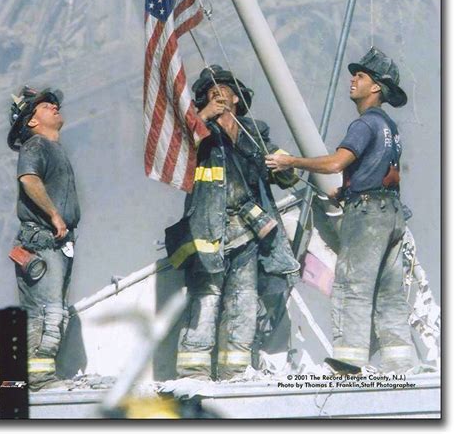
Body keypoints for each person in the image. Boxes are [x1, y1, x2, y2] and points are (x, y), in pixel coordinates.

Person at [265, 47, 414, 374]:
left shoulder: (364, 124)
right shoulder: (390, 127)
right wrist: (346, 190)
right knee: (388, 292)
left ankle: (349, 361)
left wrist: (290, 161)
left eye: (360, 76)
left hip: (367, 215)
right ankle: (401, 365)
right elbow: (380, 168)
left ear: (375, 87)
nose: (353, 80)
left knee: (352, 285)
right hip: (392, 213)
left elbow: (335, 162)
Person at [165, 65, 300, 381]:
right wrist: (203, 117)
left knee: (243, 301)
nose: (215, 92)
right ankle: (193, 371)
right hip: (207, 228)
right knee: (205, 299)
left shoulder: (255, 134)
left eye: (222, 87)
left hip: (248, 230)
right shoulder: (196, 132)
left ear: (237, 98)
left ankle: (234, 370)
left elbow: (288, 175)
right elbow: (177, 154)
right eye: (209, 91)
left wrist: (284, 167)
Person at [7, 86, 81, 390]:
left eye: (53, 104)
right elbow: (29, 180)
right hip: (42, 240)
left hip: (58, 243)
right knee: (46, 312)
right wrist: (53, 214)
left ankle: (41, 375)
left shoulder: (53, 148)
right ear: (31, 121)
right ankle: (37, 379)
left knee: (55, 311)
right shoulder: (35, 144)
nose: (53, 106)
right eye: (44, 106)